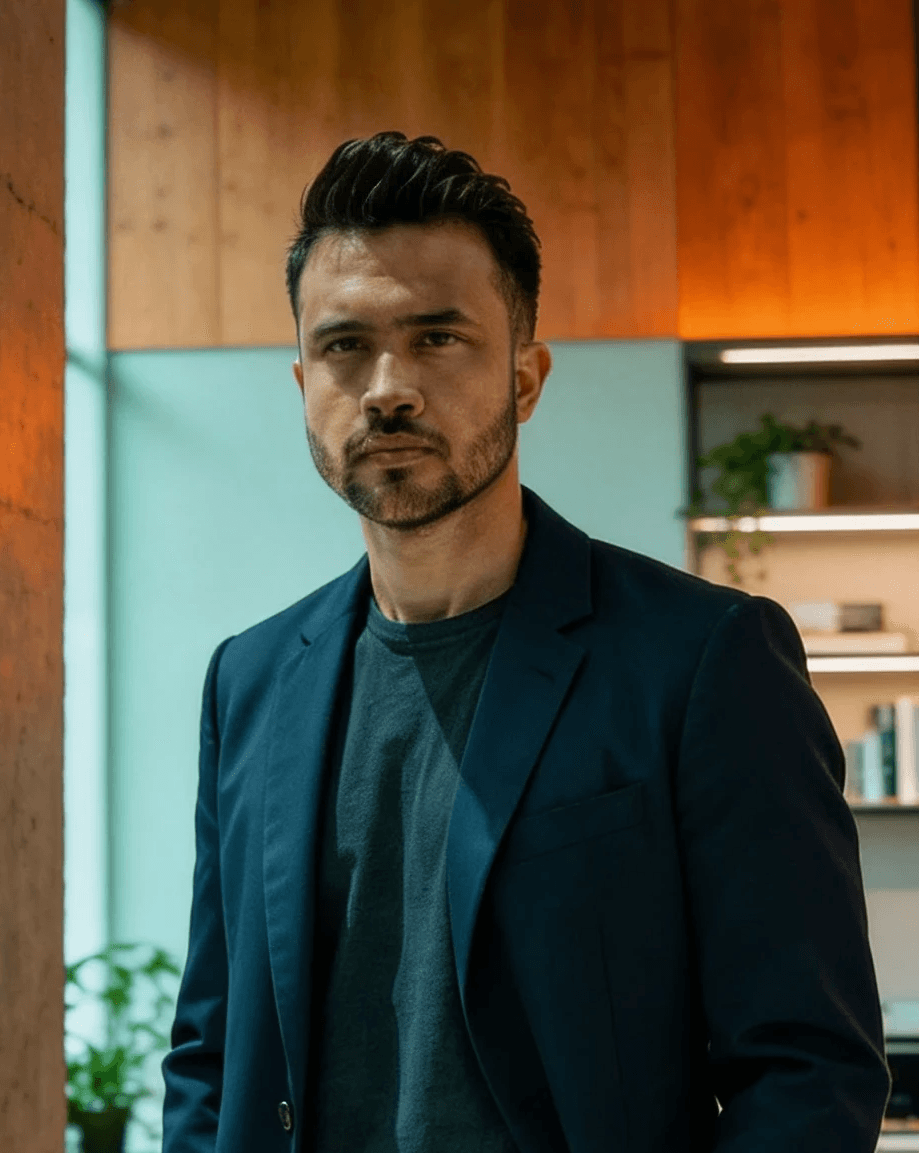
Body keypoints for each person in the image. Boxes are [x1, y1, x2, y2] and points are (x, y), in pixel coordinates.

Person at [161, 131, 891, 1153]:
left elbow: (807, 1068)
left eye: (437, 337)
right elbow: (211, 1049)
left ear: (527, 376)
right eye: (344, 346)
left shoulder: (701, 660)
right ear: (302, 386)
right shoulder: (249, 680)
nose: (386, 387)